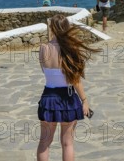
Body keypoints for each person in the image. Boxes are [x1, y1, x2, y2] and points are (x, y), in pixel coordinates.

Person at [37, 14, 99, 161]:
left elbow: (44, 70)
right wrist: (84, 100)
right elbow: (75, 80)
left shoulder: (43, 49)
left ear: (52, 28)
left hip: (49, 97)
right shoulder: (71, 50)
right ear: (67, 28)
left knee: (44, 142)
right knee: (67, 143)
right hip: (68, 98)